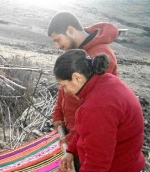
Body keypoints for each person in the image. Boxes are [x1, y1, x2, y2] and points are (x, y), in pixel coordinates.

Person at [55, 49, 145, 172]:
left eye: (64, 85)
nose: (64, 91)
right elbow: (86, 127)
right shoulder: (104, 83)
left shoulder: (98, 105)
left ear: (77, 78)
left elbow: (98, 162)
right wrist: (71, 150)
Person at [47, 11, 119, 143]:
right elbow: (64, 85)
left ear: (70, 30)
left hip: (85, 136)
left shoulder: (99, 56)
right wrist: (58, 114)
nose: (57, 46)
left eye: (58, 40)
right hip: (73, 131)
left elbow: (96, 110)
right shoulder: (76, 53)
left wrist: (73, 138)